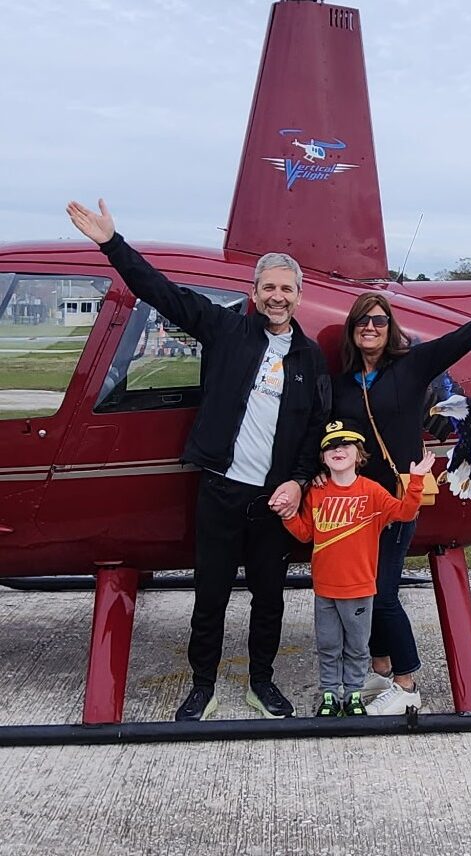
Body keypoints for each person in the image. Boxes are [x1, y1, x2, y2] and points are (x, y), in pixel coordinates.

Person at [66, 199, 330, 721]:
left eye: (286, 289)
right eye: (269, 288)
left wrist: (299, 482)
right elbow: (161, 292)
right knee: (210, 596)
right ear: (254, 293)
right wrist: (111, 243)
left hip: (274, 501)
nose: (277, 297)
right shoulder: (225, 329)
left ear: (299, 297)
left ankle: (262, 682)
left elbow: (314, 431)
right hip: (221, 490)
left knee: (269, 600)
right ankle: (202, 685)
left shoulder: (310, 357)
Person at [332, 278, 471, 715]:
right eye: (362, 320)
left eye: (379, 320)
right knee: (364, 589)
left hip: (399, 501)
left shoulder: (413, 365)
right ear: (352, 329)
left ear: (389, 326)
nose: (370, 327)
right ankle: (378, 665)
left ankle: (406, 684)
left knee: (382, 594)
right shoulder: (343, 383)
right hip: (358, 503)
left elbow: (464, 338)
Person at [280, 419, 435, 716]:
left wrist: (415, 481)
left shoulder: (372, 492)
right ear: (323, 458)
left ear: (359, 454)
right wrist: (287, 513)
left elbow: (405, 512)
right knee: (328, 646)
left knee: (357, 648)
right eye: (331, 447)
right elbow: (305, 533)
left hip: (360, 588)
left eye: (345, 445)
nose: (338, 450)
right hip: (325, 589)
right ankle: (329, 694)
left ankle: (352, 695)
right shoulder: (316, 494)